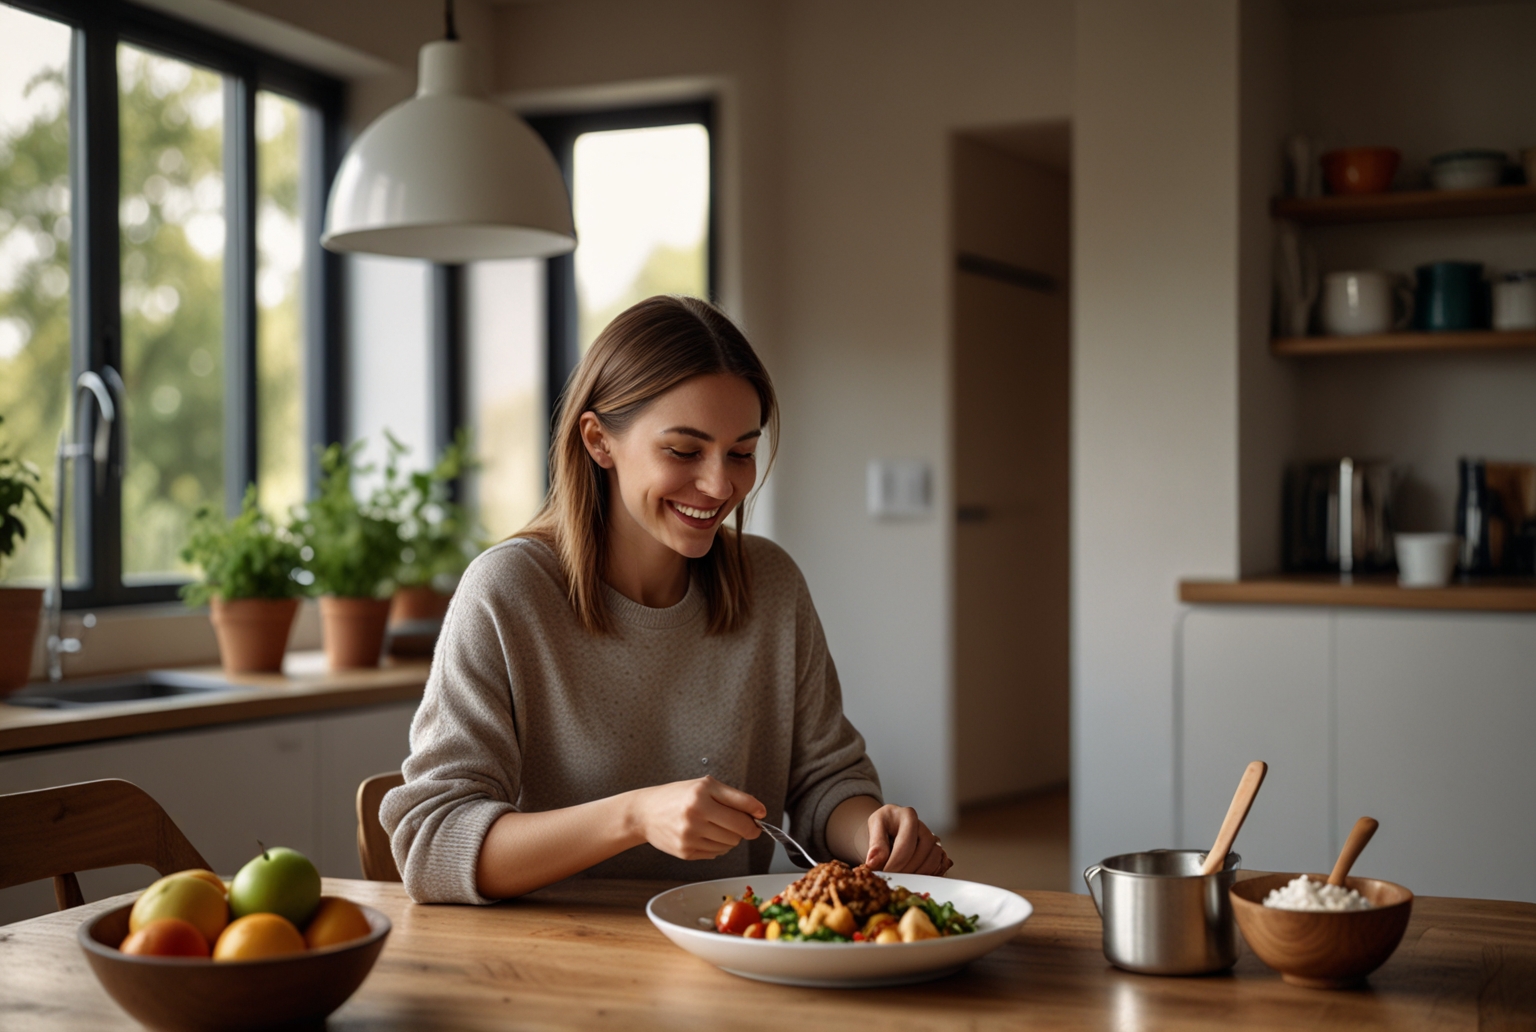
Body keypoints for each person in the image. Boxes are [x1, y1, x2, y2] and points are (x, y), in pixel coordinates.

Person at [382, 295, 950, 903]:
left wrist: (872, 828)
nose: (719, 484)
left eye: (741, 452)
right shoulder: (507, 592)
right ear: (599, 441)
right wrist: (634, 817)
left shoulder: (772, 584)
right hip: (554, 960)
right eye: (683, 451)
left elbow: (825, 781)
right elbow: (431, 843)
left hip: (735, 945)